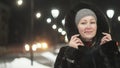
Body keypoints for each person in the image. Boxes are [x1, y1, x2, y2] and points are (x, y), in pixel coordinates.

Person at [54, 2, 120, 68]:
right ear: (76, 27)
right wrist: (71, 54)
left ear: (97, 26)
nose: (88, 26)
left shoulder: (108, 50)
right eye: (83, 23)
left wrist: (109, 50)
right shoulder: (65, 53)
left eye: (92, 22)